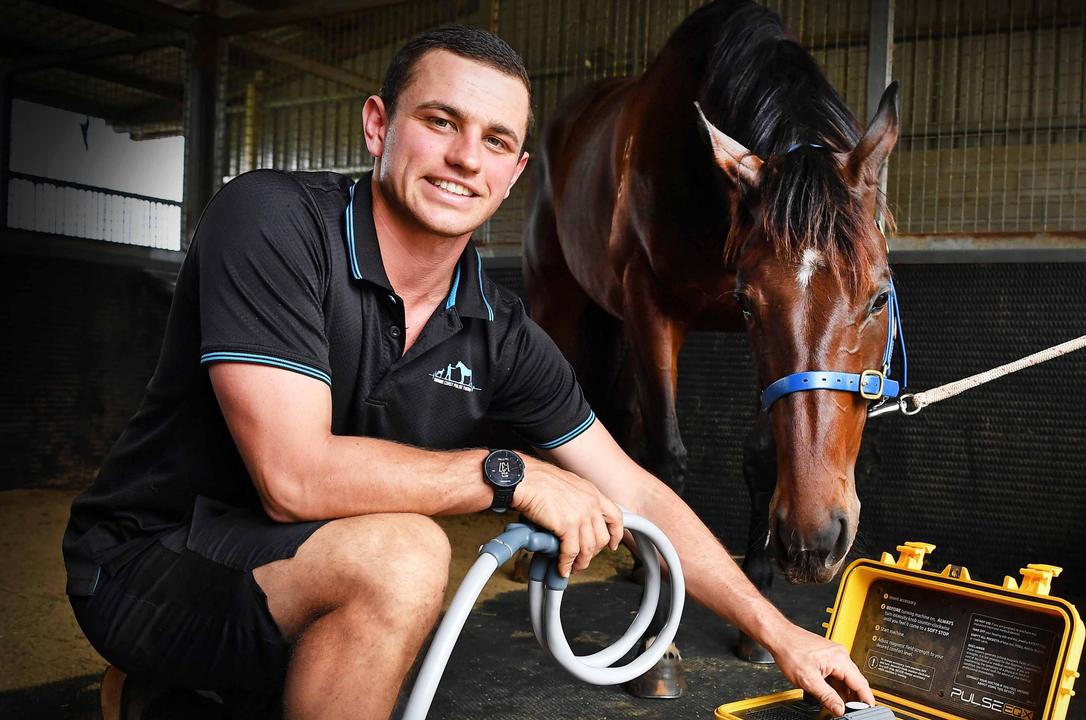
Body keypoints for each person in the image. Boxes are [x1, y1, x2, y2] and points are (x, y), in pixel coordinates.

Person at [63, 25, 874, 720]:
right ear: (378, 126)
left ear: (517, 173)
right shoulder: (271, 219)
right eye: (440, 121)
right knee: (406, 558)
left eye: (493, 140)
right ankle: (181, 667)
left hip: (296, 569)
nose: (463, 158)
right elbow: (293, 478)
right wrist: (512, 474)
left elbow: (641, 492)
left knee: (390, 568)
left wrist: (783, 634)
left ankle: (187, 690)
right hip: (147, 561)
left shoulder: (498, 329)